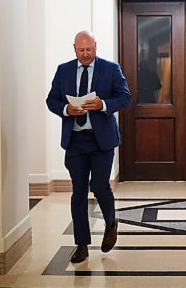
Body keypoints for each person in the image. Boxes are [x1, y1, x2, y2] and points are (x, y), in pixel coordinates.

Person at [46, 30, 131, 263]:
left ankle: (111, 223)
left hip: (101, 140)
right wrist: (66, 109)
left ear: (96, 47)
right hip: (75, 141)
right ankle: (81, 245)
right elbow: (51, 100)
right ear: (74, 48)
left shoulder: (110, 69)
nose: (85, 54)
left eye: (89, 50)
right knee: (79, 193)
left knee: (100, 186)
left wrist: (103, 104)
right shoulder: (63, 70)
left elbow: (125, 98)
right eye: (81, 50)